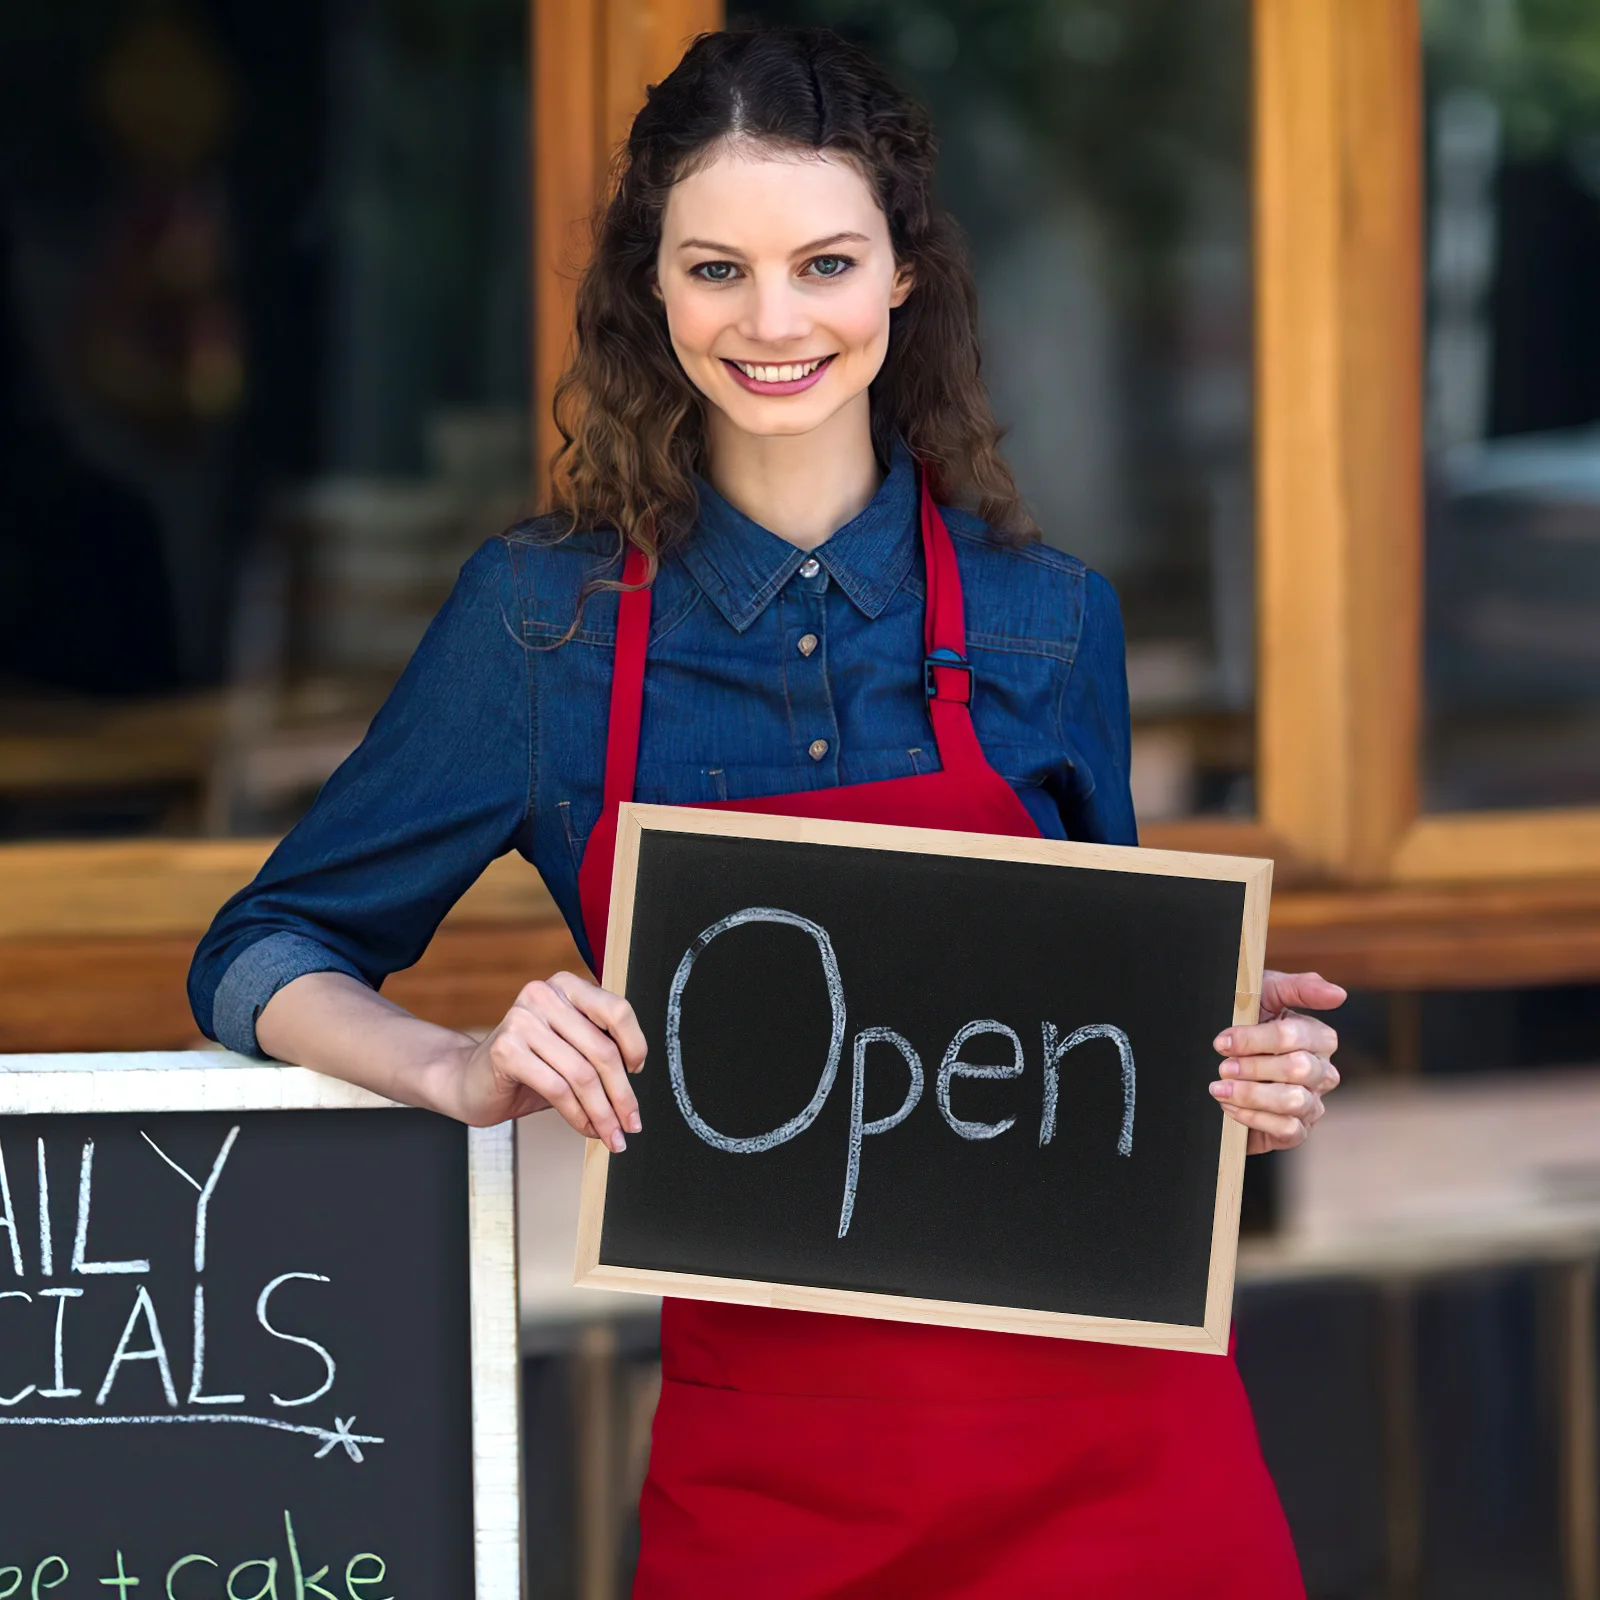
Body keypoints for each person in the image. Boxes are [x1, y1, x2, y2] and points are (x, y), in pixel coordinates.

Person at [190, 27, 1344, 1597]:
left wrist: (1239, 1067)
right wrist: (457, 1069)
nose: (775, 321)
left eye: (826, 264)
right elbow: (259, 950)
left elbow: (1099, 1059)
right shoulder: (541, 628)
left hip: (1121, 1459)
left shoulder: (1048, 621)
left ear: (903, 276)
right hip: (781, 1476)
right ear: (652, 285)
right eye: (717, 270)